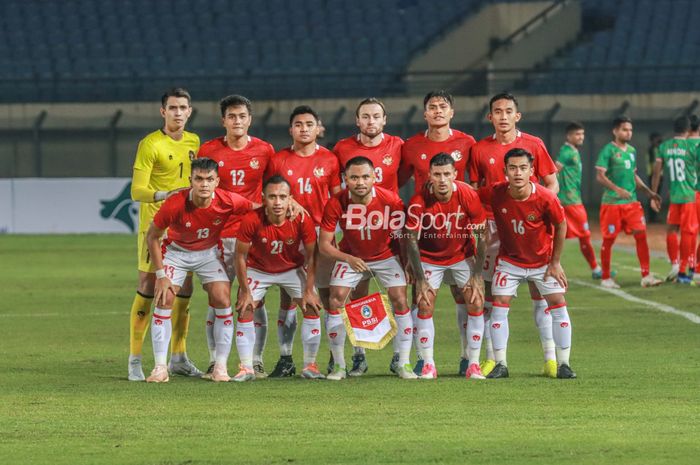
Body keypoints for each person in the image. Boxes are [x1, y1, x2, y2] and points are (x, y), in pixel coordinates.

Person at [469, 92, 559, 378]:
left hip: (530, 228)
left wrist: (538, 209)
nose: (503, 116)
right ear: (490, 117)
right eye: (498, 111)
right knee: (490, 296)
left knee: (539, 292)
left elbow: (551, 183)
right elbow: (474, 190)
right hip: (493, 228)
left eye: (509, 111)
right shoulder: (479, 149)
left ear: (517, 116)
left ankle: (550, 359)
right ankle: (492, 359)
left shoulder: (534, 144)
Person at [144, 158, 254, 382]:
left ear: (217, 182)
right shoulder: (175, 203)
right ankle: (160, 367)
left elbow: (259, 209)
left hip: (209, 253)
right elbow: (152, 236)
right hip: (176, 253)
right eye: (199, 179)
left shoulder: (228, 200)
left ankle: (220, 368)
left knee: (222, 298)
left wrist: (291, 203)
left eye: (209, 179)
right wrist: (161, 275)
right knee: (164, 299)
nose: (204, 184)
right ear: (190, 181)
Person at [398, 89, 477, 376]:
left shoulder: (467, 143)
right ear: (425, 113)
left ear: (452, 112)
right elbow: (396, 182)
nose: (438, 111)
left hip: (457, 227)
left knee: (464, 295)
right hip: (424, 228)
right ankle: (422, 359)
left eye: (443, 106)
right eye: (432, 107)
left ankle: (467, 356)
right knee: (421, 293)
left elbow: (475, 183)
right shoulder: (411, 146)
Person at [197, 94, 276, 378]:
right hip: (218, 235)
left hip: (253, 236)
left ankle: (255, 360)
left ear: (249, 119)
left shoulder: (265, 150)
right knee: (217, 299)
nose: (237, 121)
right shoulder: (209, 150)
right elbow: (201, 190)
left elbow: (274, 189)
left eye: (242, 116)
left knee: (255, 299)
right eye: (232, 117)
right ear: (223, 121)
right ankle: (214, 360)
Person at [478, 148, 576, 379]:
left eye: (523, 168)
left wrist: (556, 262)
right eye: (513, 168)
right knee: (498, 305)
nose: (518, 173)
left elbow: (561, 225)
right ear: (505, 171)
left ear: (532, 171)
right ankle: (501, 363)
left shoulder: (546, 197)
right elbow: (472, 195)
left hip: (543, 262)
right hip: (510, 261)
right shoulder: (496, 192)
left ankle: (563, 364)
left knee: (558, 304)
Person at [319, 156, 417, 380]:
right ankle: (340, 366)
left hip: (385, 257)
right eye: (354, 177)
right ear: (346, 179)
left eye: (365, 176)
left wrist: (407, 262)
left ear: (374, 177)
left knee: (400, 298)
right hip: (351, 257)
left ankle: (403, 363)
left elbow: (403, 236)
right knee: (336, 299)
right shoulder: (336, 202)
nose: (360, 182)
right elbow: (324, 245)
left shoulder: (390, 200)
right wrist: (347, 258)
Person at [127, 88, 201, 381]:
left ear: (190, 111)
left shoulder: (195, 142)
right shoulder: (150, 144)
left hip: (186, 226)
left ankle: (179, 356)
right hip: (155, 226)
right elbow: (137, 190)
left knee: (184, 287)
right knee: (148, 284)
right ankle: (135, 359)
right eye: (173, 108)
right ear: (163, 112)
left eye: (183, 107)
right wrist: (165, 193)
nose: (178, 113)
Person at [264, 105, 342, 377]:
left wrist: (333, 233)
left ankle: (335, 357)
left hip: (321, 233)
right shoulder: (278, 159)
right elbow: (272, 195)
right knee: (289, 297)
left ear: (318, 128)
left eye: (309, 124)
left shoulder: (330, 160)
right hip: (289, 234)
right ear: (291, 129)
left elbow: (336, 199)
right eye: (298, 124)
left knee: (326, 295)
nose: (304, 129)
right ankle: (286, 359)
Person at [332, 97, 404, 375]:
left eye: (376, 116)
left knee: (399, 295)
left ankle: (401, 357)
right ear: (357, 120)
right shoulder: (342, 148)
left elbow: (405, 175)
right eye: (365, 116)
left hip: (388, 227)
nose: (371, 121)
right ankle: (359, 355)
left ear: (384, 120)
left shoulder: (398, 145)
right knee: (357, 295)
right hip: (354, 227)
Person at [404, 153, 487, 379]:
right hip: (430, 257)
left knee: (476, 300)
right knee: (424, 303)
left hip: (462, 256)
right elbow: (410, 238)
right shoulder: (418, 200)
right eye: (437, 174)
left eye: (447, 174)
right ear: (429, 175)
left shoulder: (468, 194)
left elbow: (483, 235)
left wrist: (478, 274)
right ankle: (429, 364)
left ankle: (473, 364)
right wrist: (419, 278)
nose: (442, 179)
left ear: (455, 175)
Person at [235, 176, 324, 381]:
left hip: (291, 269)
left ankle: (310, 365)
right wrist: (245, 291)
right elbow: (240, 256)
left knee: (311, 305)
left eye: (282, 197)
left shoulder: (301, 219)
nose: (277, 202)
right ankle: (246, 368)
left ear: (290, 199)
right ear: (263, 198)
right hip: (258, 270)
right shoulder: (251, 219)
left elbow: (312, 256)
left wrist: (309, 290)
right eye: (272, 197)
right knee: (245, 307)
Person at [595, 116, 663, 288]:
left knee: (641, 235)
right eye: (625, 129)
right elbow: (600, 176)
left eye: (630, 129)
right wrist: (617, 190)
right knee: (609, 240)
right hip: (611, 204)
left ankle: (646, 276)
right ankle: (605, 278)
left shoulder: (632, 151)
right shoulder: (608, 150)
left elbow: (633, 176)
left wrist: (650, 193)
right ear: (615, 131)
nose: (628, 132)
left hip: (632, 204)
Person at [651, 116, 698, 283]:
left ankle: (675, 265)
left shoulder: (664, 146)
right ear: (688, 130)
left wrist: (654, 194)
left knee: (671, 230)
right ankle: (685, 271)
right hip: (689, 196)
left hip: (674, 196)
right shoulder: (693, 145)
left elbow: (657, 172)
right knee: (688, 232)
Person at [555, 121, 602, 278]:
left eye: (582, 134)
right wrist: (552, 191)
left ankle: (595, 269)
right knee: (584, 235)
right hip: (571, 201)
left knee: (555, 235)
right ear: (569, 136)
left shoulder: (572, 150)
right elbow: (555, 170)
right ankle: (596, 270)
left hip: (570, 200)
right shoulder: (567, 152)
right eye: (577, 134)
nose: (581, 137)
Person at [687, 115, 700, 283]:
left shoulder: (679, 146)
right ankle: (697, 267)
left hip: (685, 195)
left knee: (689, 233)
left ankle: (687, 267)